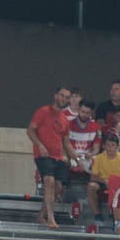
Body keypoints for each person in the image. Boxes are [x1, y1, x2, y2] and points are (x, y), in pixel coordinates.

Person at [26, 86, 74, 228]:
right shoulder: (43, 112)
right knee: (49, 181)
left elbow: (66, 143)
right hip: (44, 155)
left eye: (66, 97)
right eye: (61, 95)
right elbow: (30, 130)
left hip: (58, 157)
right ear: (55, 95)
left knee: (58, 187)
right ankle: (51, 218)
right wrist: (40, 145)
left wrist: (76, 158)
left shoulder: (65, 120)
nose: (63, 99)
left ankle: (41, 215)